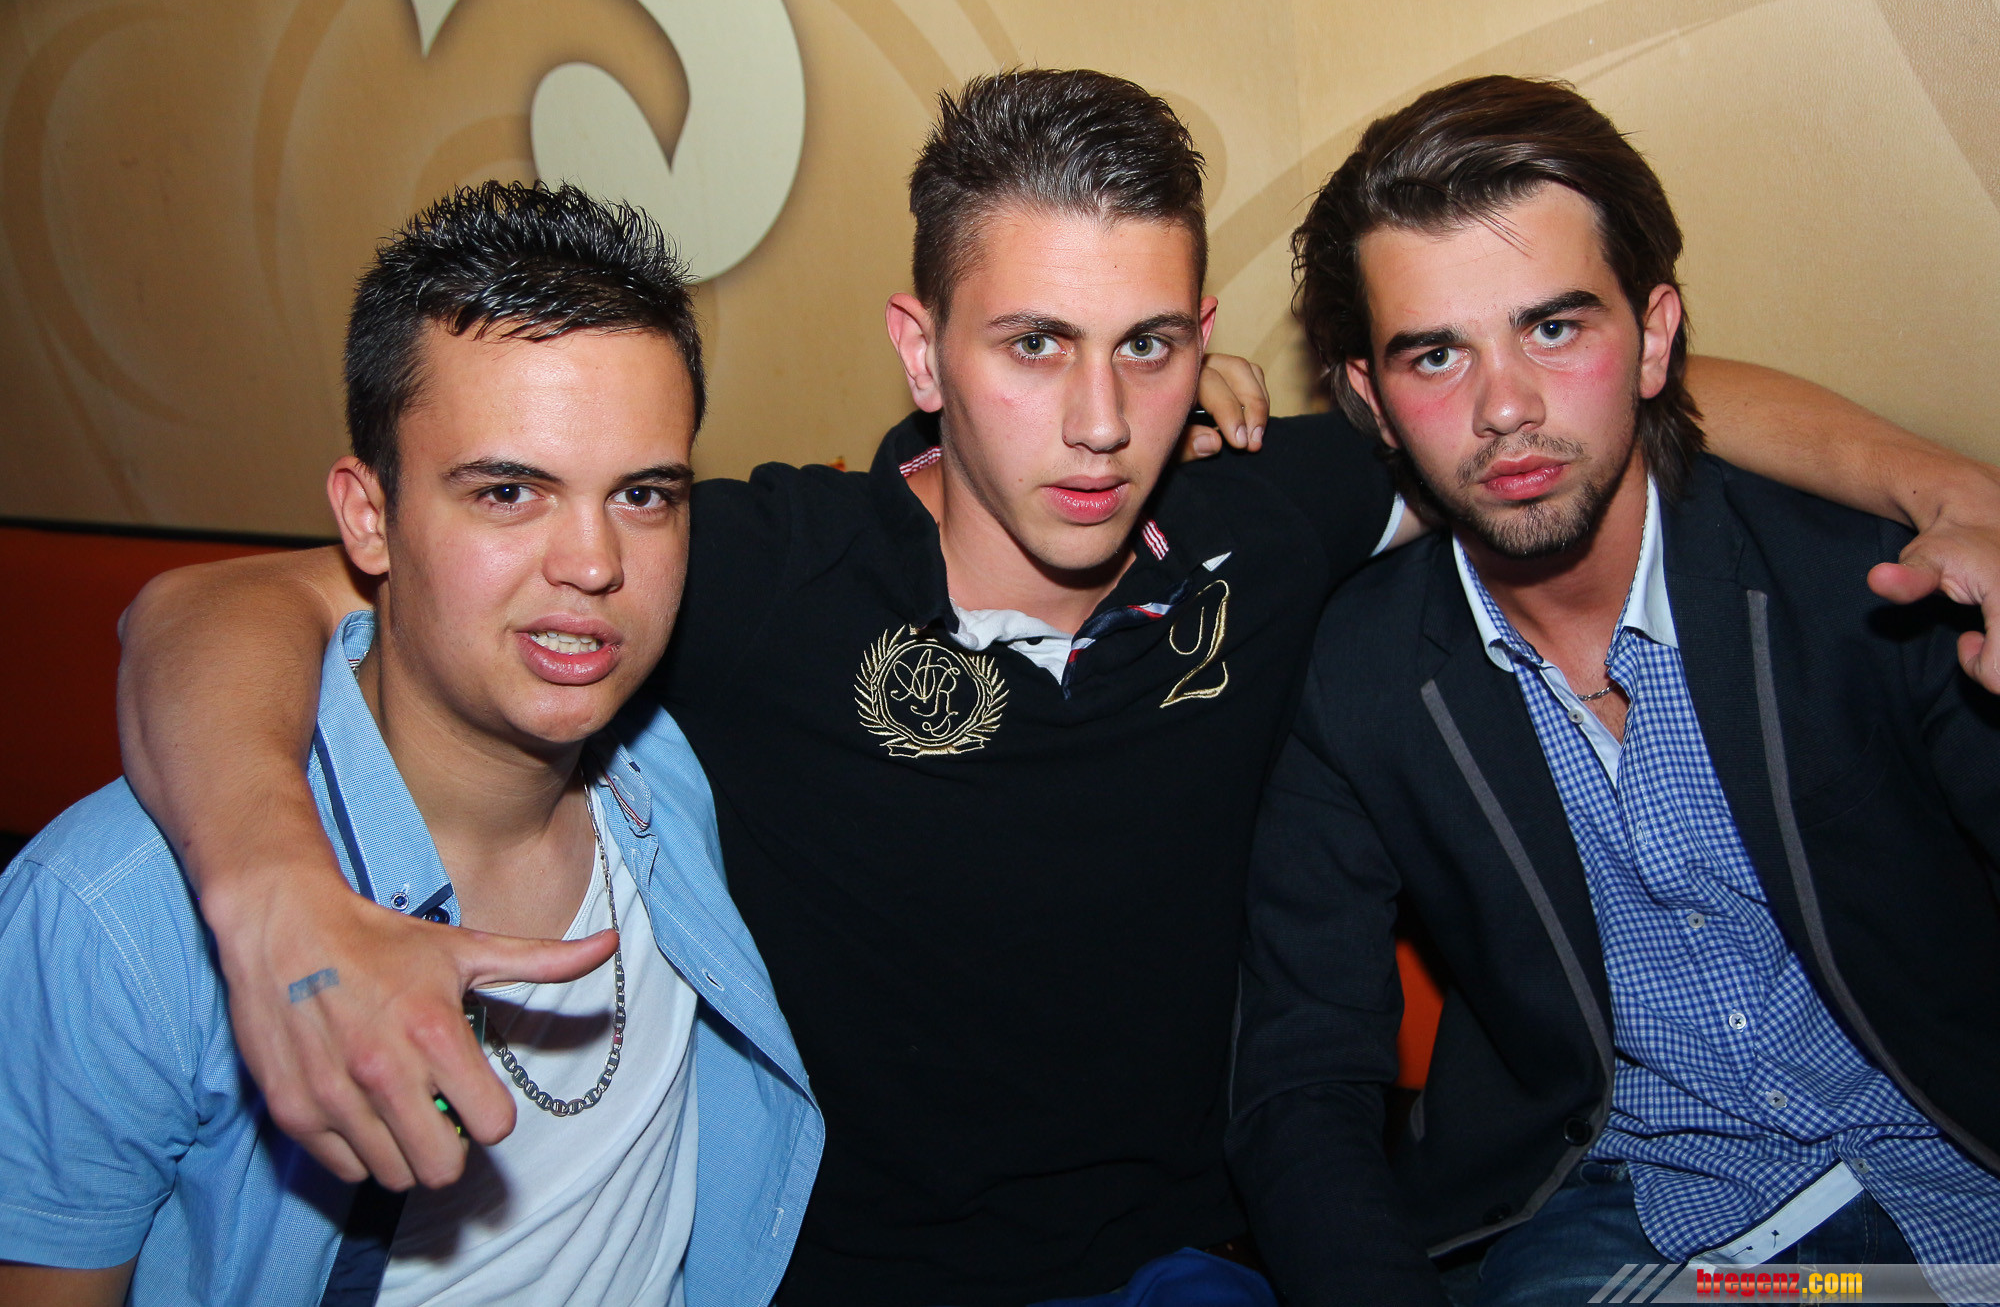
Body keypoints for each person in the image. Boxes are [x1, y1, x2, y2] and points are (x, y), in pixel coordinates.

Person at [114, 70, 2000, 1307]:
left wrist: (1942, 489)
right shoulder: (749, 566)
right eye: (1032, 345)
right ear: (920, 349)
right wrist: (273, 888)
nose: (1101, 422)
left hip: (1189, 1267)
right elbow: (214, 607)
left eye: (1149, 345)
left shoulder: (1271, 514)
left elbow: (1589, 405)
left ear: (1207, 344)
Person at [1228, 76, 2000, 1307]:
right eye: (1436, 353)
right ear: (1368, 399)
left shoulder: (1863, 583)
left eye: (1551, 327)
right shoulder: (1357, 676)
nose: (1504, 408)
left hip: (1952, 1167)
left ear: (1650, 338)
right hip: (1624, 1221)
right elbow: (1300, 1075)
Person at [0, 183, 820, 1307]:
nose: (592, 564)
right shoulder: (118, 918)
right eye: (508, 491)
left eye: (642, 494)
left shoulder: (670, 765)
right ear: (368, 516)